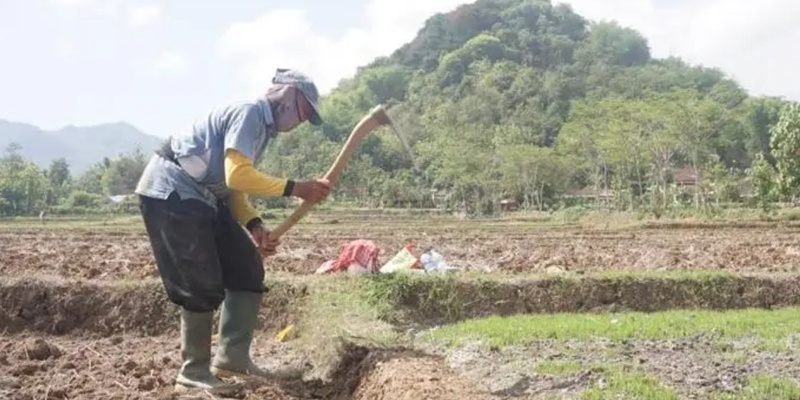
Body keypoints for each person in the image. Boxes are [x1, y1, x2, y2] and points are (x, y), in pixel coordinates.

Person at [134, 68, 332, 394]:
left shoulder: (261, 131)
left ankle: (232, 358)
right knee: (200, 279)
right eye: (305, 111)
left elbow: (234, 188)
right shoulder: (249, 112)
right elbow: (238, 176)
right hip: (171, 191)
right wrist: (298, 188)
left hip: (204, 196)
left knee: (246, 266)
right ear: (288, 93)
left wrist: (255, 226)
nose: (302, 121)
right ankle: (193, 372)